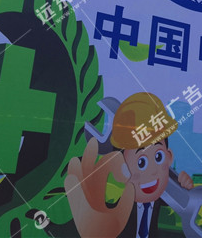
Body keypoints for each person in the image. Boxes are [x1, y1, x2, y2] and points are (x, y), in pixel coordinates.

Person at [66, 92, 195, 238]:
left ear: (169, 157)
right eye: (141, 162)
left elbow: (183, 202)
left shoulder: (163, 195)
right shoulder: (120, 207)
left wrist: (184, 186)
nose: (152, 171)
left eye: (158, 157)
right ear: (122, 166)